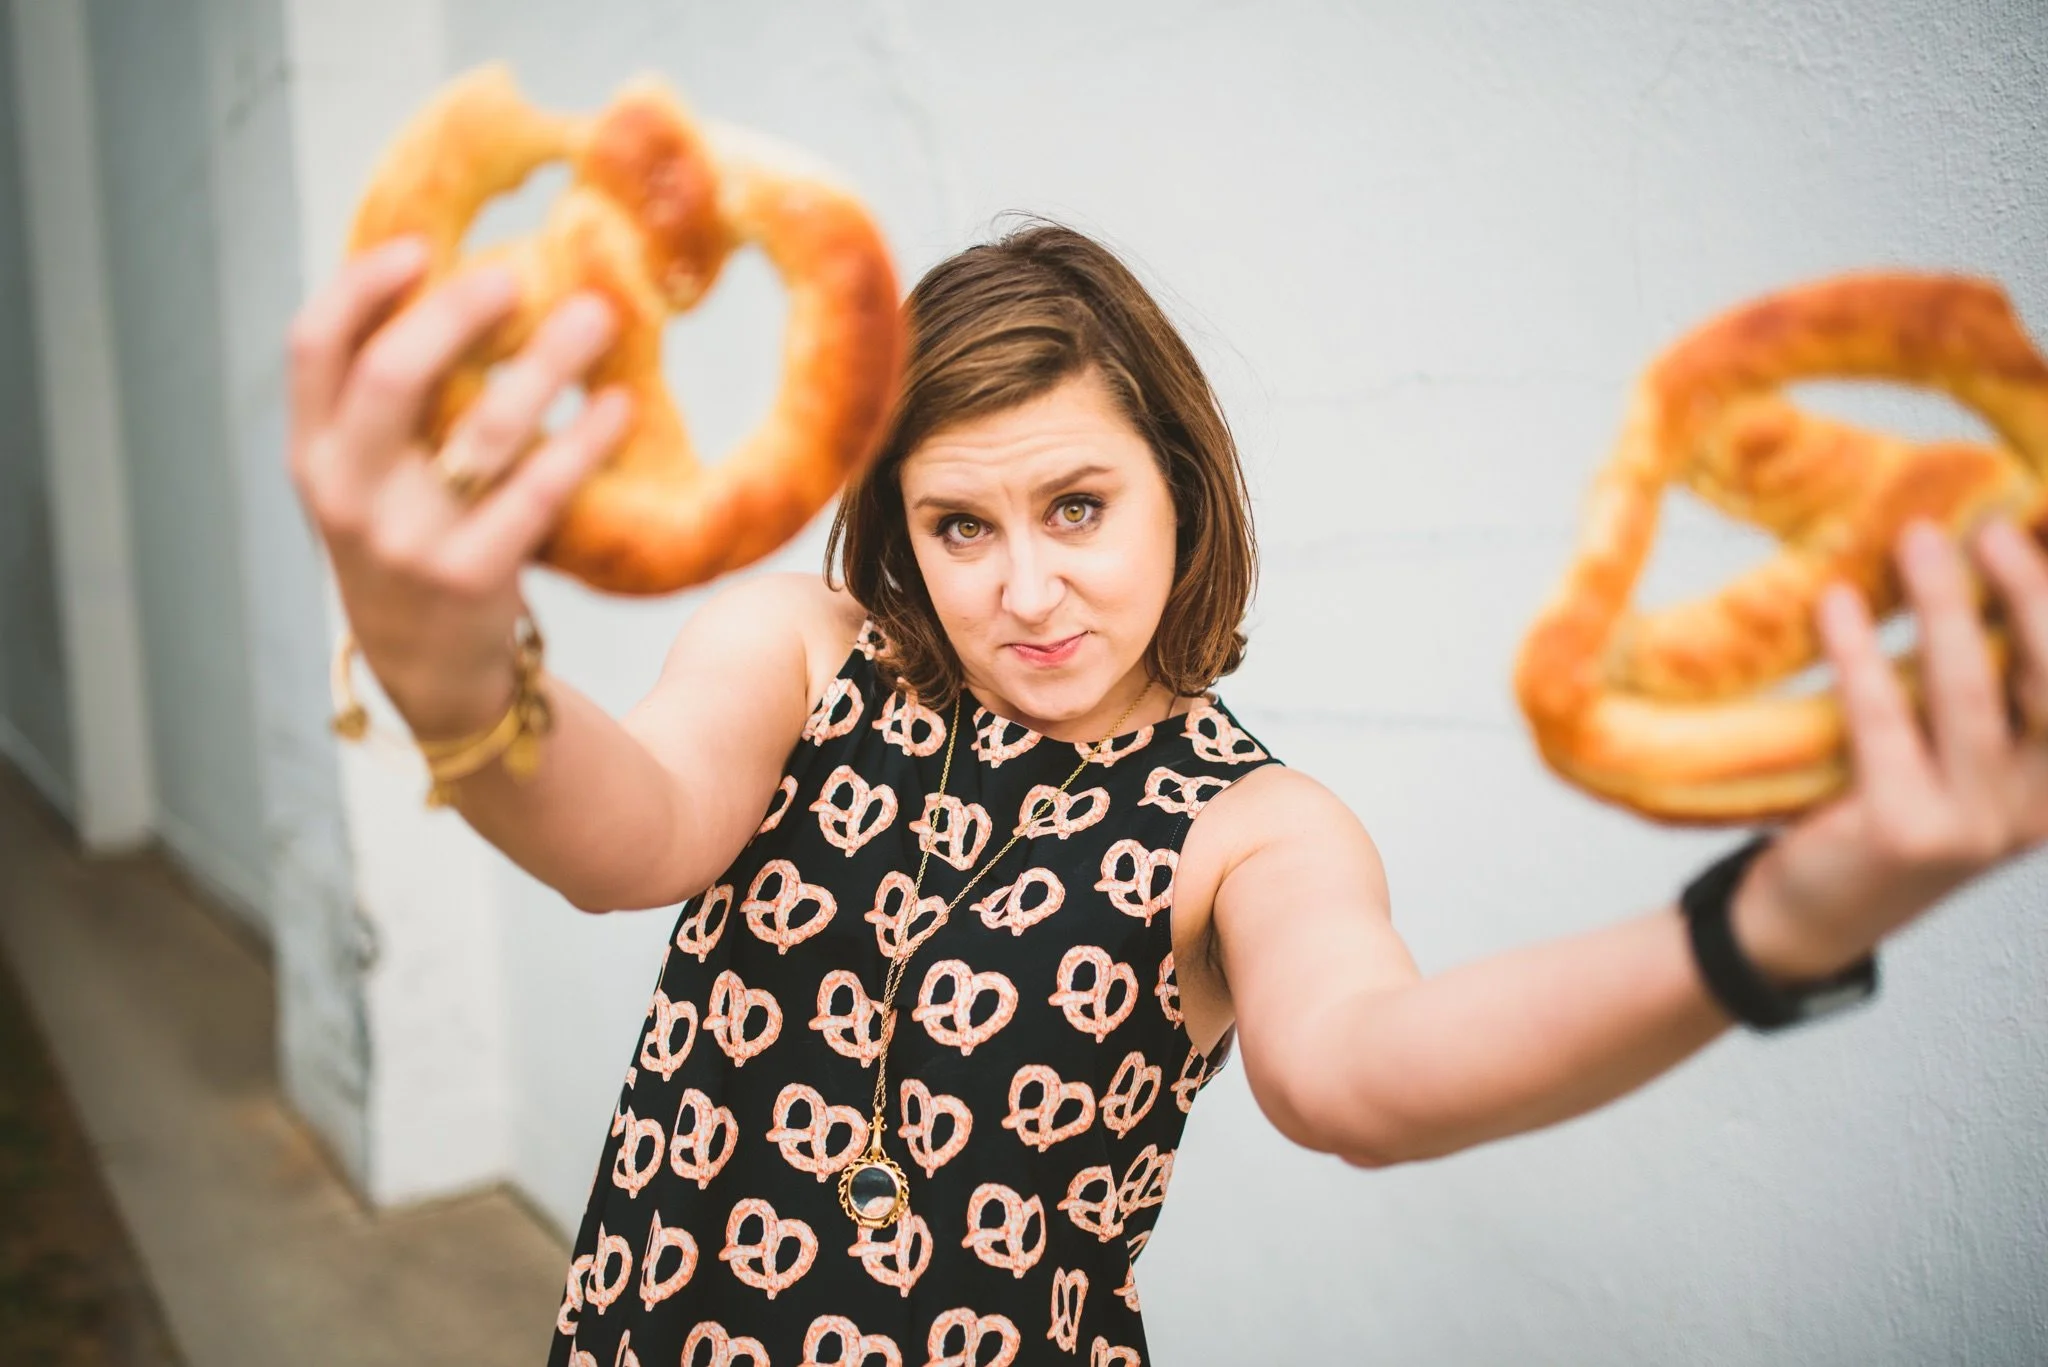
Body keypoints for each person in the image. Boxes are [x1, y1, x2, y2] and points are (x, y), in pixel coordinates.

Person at [288, 220, 2048, 1366]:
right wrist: (455, 667)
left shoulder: (1251, 828)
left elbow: (1365, 1073)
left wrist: (1766, 929)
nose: (1024, 590)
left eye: (1077, 506)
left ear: (1180, 491)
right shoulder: (801, 653)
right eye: (958, 525)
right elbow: (628, 834)